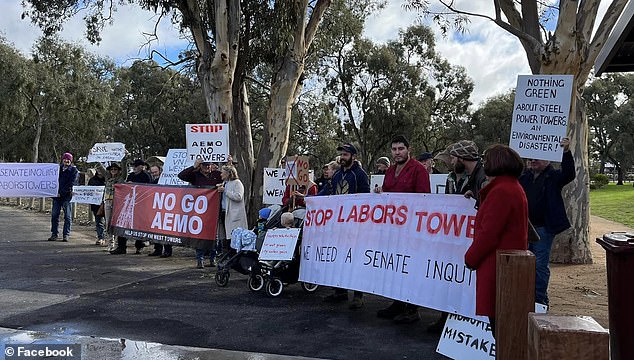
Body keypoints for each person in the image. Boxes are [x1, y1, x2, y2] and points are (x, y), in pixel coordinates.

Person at [465, 144, 528, 336]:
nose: (484, 164)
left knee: (500, 329)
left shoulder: (501, 191)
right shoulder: (511, 188)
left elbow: (489, 234)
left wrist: (470, 257)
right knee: (503, 328)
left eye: (486, 160)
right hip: (506, 263)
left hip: (497, 265)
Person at [374, 135, 430, 323]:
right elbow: (388, 192)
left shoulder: (419, 170)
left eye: (401, 149)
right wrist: (380, 193)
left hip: (411, 228)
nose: (397, 153)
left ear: (409, 149)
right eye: (394, 149)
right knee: (396, 266)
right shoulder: (389, 171)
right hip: (393, 228)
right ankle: (398, 303)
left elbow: (424, 199)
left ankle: (412, 309)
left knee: (410, 268)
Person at [519, 137, 575, 307]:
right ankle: (524, 296)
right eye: (530, 158)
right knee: (523, 264)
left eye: (536, 157)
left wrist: (565, 151)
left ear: (548, 158)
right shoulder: (523, 178)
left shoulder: (554, 176)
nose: (532, 161)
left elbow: (569, 173)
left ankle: (539, 300)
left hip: (544, 229)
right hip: (525, 228)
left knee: (540, 265)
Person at [321, 143, 370, 310]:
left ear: (353, 157)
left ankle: (358, 295)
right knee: (339, 258)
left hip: (354, 225)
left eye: (346, 155)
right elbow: (330, 194)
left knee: (355, 259)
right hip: (338, 225)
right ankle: (340, 290)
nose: (343, 157)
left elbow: (366, 199)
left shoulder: (360, 175)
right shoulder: (336, 175)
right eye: (342, 154)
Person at [178, 159, 224, 268]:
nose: (207, 167)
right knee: (200, 235)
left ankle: (213, 259)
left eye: (209, 165)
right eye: (205, 165)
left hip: (214, 209)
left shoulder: (217, 174)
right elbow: (181, 176)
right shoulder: (195, 175)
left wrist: (229, 163)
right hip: (199, 210)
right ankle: (200, 259)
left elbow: (230, 176)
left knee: (215, 236)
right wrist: (194, 166)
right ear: (201, 165)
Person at [110, 158, 152, 255]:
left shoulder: (146, 176)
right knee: (123, 222)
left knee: (139, 226)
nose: (134, 168)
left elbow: (148, 188)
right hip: (129, 203)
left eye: (136, 166)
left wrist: (135, 185)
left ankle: (139, 246)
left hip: (141, 204)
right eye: (133, 166)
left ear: (142, 167)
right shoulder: (131, 175)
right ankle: (121, 247)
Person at [216, 165, 248, 268]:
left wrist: (225, 191)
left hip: (233, 214)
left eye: (223, 172)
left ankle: (236, 259)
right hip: (224, 213)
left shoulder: (237, 183)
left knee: (234, 237)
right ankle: (229, 258)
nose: (221, 174)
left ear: (229, 173)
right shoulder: (225, 183)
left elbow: (238, 196)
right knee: (226, 237)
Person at [48, 152, 79, 242]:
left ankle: (66, 234)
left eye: (69, 159)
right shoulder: (57, 169)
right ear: (62, 160)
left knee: (67, 216)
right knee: (54, 215)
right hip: (56, 197)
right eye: (65, 159)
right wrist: (54, 192)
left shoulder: (73, 171)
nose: (67, 161)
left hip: (66, 197)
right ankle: (54, 234)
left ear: (71, 161)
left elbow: (72, 183)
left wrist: (62, 193)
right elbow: (52, 181)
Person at [147, 164, 172, 257]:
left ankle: (167, 250)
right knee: (155, 229)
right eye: (152, 172)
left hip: (166, 208)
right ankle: (157, 249)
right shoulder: (152, 181)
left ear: (160, 171)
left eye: (155, 172)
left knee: (165, 230)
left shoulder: (166, 181)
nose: (154, 174)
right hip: (155, 208)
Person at [88, 169, 106, 246]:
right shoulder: (92, 180)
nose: (99, 170)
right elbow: (88, 191)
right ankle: (100, 238)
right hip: (96, 204)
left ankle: (112, 240)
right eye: (98, 168)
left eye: (101, 168)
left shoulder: (108, 179)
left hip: (107, 203)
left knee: (108, 223)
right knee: (99, 222)